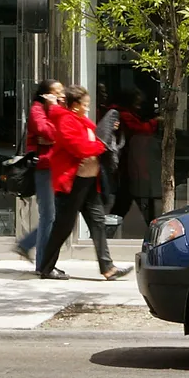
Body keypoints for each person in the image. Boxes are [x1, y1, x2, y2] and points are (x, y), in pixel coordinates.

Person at [38, 85, 132, 281]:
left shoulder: (79, 119)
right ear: (74, 106)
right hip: (72, 183)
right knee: (63, 226)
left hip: (88, 181)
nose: (88, 108)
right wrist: (101, 146)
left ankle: (108, 267)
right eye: (85, 104)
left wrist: (107, 133)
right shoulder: (65, 120)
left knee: (97, 222)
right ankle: (46, 268)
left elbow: (95, 135)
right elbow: (79, 148)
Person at [13, 79, 64, 272]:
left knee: (56, 216)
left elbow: (63, 131)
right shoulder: (37, 109)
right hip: (45, 167)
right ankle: (43, 264)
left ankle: (27, 245)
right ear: (45, 95)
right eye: (56, 91)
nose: (61, 94)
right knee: (49, 216)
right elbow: (48, 132)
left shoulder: (55, 109)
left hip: (57, 167)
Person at [108, 88, 160, 221]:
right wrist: (155, 122)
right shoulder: (124, 115)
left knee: (125, 202)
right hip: (130, 164)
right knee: (137, 199)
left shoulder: (127, 114)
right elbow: (140, 131)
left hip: (132, 164)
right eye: (137, 102)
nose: (139, 105)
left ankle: (106, 231)